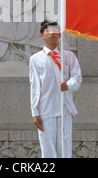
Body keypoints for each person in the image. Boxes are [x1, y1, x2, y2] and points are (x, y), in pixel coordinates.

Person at [29, 20, 82, 158]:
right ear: (42, 35)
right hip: (45, 109)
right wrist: (35, 111)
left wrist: (68, 85)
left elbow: (77, 78)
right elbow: (34, 86)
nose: (52, 33)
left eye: (55, 31)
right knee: (48, 150)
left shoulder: (68, 56)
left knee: (64, 148)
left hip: (64, 108)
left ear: (59, 34)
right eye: (48, 31)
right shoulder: (35, 59)